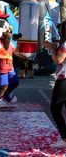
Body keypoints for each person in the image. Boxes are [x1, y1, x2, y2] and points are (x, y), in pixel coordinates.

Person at [42, 20, 66, 148]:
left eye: (61, 30)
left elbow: (58, 59)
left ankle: (65, 138)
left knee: (55, 109)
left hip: (64, 79)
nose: (59, 32)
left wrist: (51, 47)